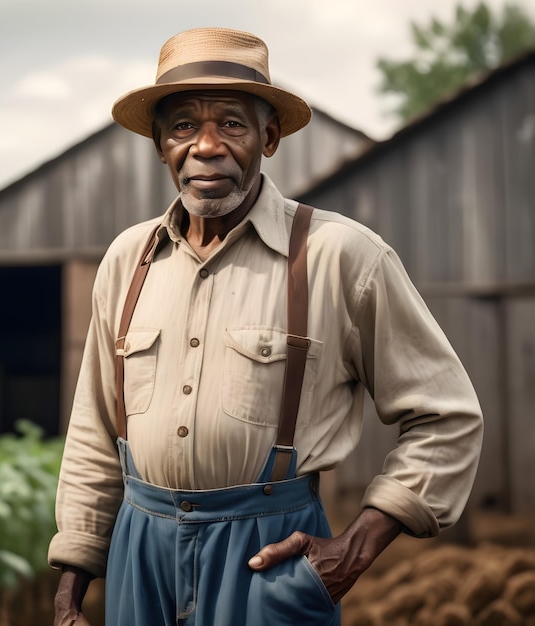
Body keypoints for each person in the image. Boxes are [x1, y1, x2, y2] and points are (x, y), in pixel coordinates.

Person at [49, 27, 483, 626]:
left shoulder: (340, 256)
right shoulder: (129, 260)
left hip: (267, 556)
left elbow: (447, 417)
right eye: (183, 126)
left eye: (231, 123)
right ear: (159, 143)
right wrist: (72, 583)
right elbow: (95, 431)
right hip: (138, 553)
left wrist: (351, 552)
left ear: (268, 137)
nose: (206, 146)